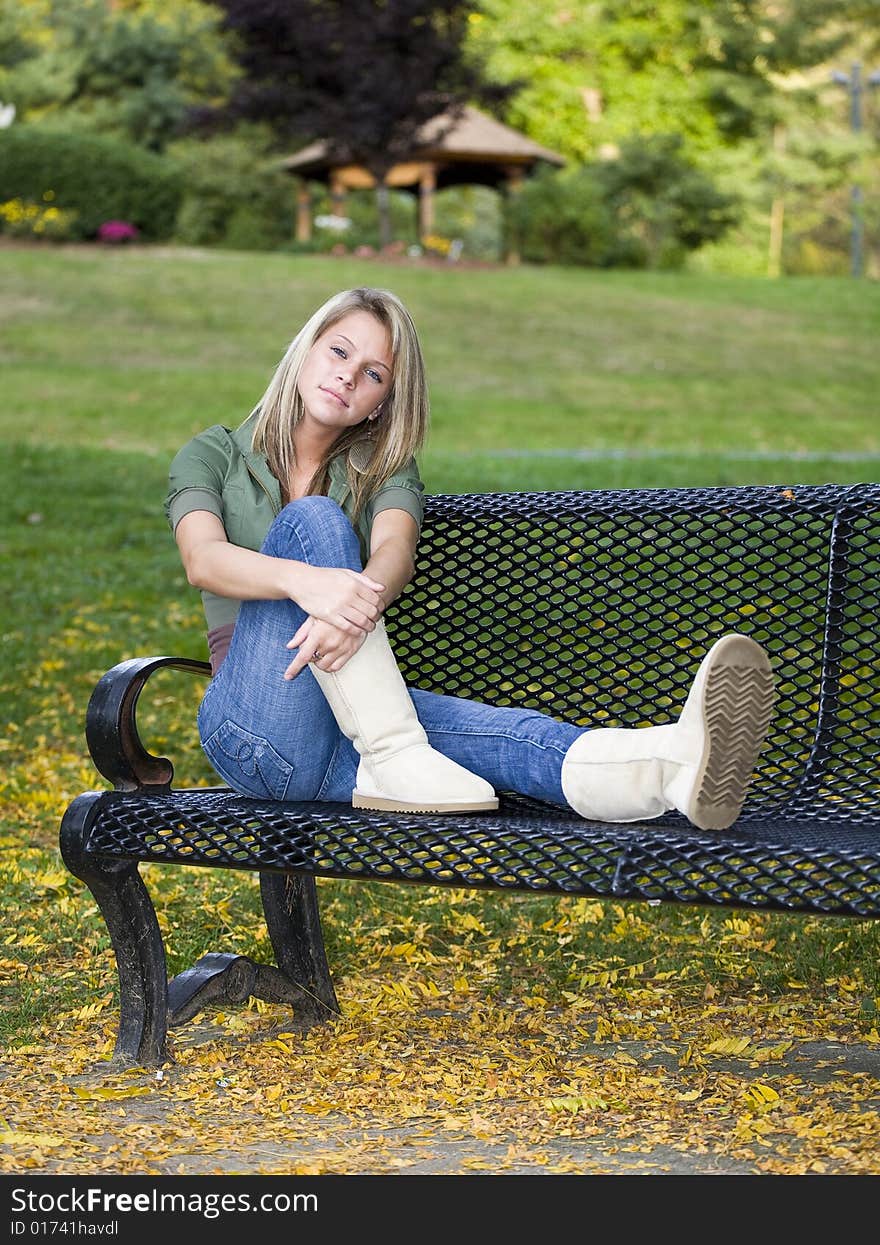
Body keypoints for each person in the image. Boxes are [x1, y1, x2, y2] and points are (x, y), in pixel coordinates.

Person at [165, 286, 775, 831]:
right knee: (313, 521)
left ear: (381, 401)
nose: (350, 377)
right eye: (339, 352)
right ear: (306, 349)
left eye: (374, 374)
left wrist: (350, 602)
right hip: (252, 727)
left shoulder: (383, 465)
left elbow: (394, 555)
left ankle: (670, 766)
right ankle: (395, 749)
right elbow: (206, 560)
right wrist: (313, 586)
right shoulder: (213, 454)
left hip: (343, 737)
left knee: (506, 733)